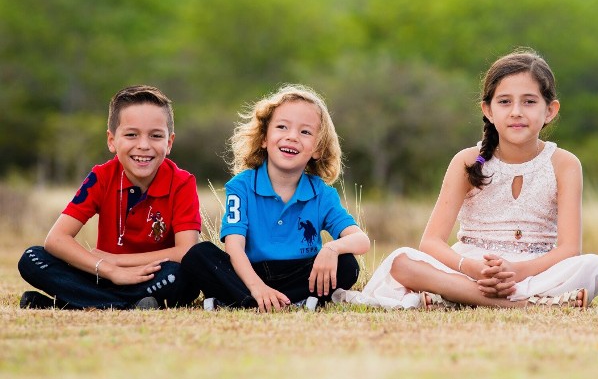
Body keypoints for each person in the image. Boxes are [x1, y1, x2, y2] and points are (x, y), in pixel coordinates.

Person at [334, 48, 598, 309]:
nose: (516, 111)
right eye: (504, 102)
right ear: (488, 110)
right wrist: (471, 267)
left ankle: (458, 297)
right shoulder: (467, 160)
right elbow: (430, 242)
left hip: (535, 269)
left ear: (550, 110)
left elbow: (570, 249)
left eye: (529, 101)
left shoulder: (564, 164)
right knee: (402, 262)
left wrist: (516, 271)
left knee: (595, 267)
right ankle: (524, 304)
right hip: (471, 268)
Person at [181, 84, 370, 311]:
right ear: (264, 137)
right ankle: (261, 299)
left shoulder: (322, 193)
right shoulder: (241, 187)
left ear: (318, 149)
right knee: (198, 255)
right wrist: (258, 287)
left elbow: (361, 240)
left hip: (300, 274)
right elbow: (234, 248)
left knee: (347, 264)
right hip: (249, 273)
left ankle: (247, 301)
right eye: (282, 127)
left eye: (305, 132)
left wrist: (331, 249)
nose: (292, 137)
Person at [18, 85, 202, 310]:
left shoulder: (182, 182)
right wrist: (110, 270)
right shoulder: (101, 177)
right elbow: (56, 239)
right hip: (103, 276)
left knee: (180, 277)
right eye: (131, 135)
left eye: (155, 136)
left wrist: (118, 261)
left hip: (152, 278)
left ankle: (75, 303)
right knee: (32, 259)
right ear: (112, 140)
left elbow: (185, 251)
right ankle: (123, 305)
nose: (143, 145)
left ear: (169, 142)